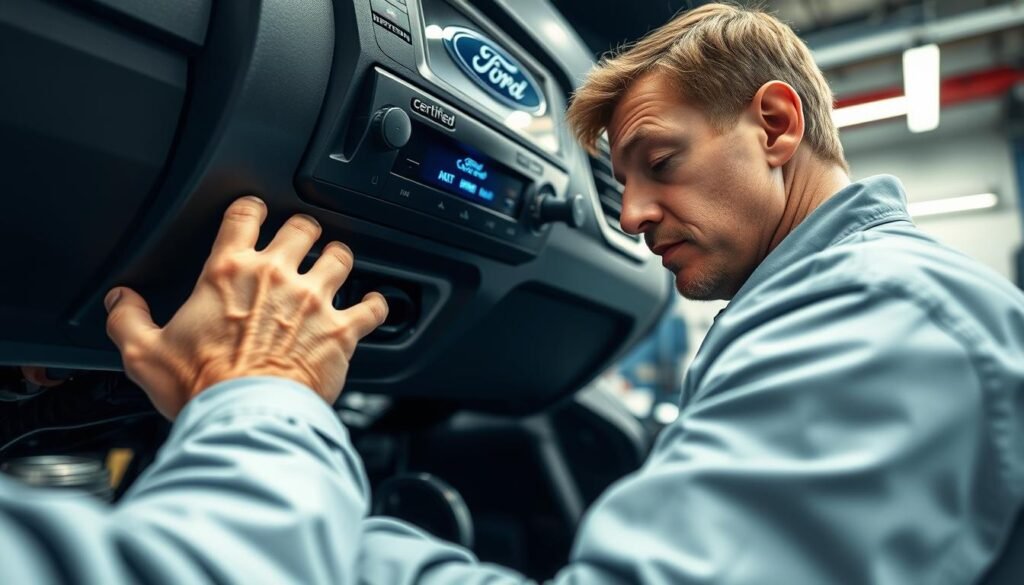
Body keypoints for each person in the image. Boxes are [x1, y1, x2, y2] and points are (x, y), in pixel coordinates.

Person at [1, 3, 1022, 583]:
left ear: (775, 124)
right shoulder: (831, 308)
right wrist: (297, 502)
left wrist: (276, 435)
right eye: (617, 183)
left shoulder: (877, 312)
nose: (628, 216)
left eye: (658, 161)